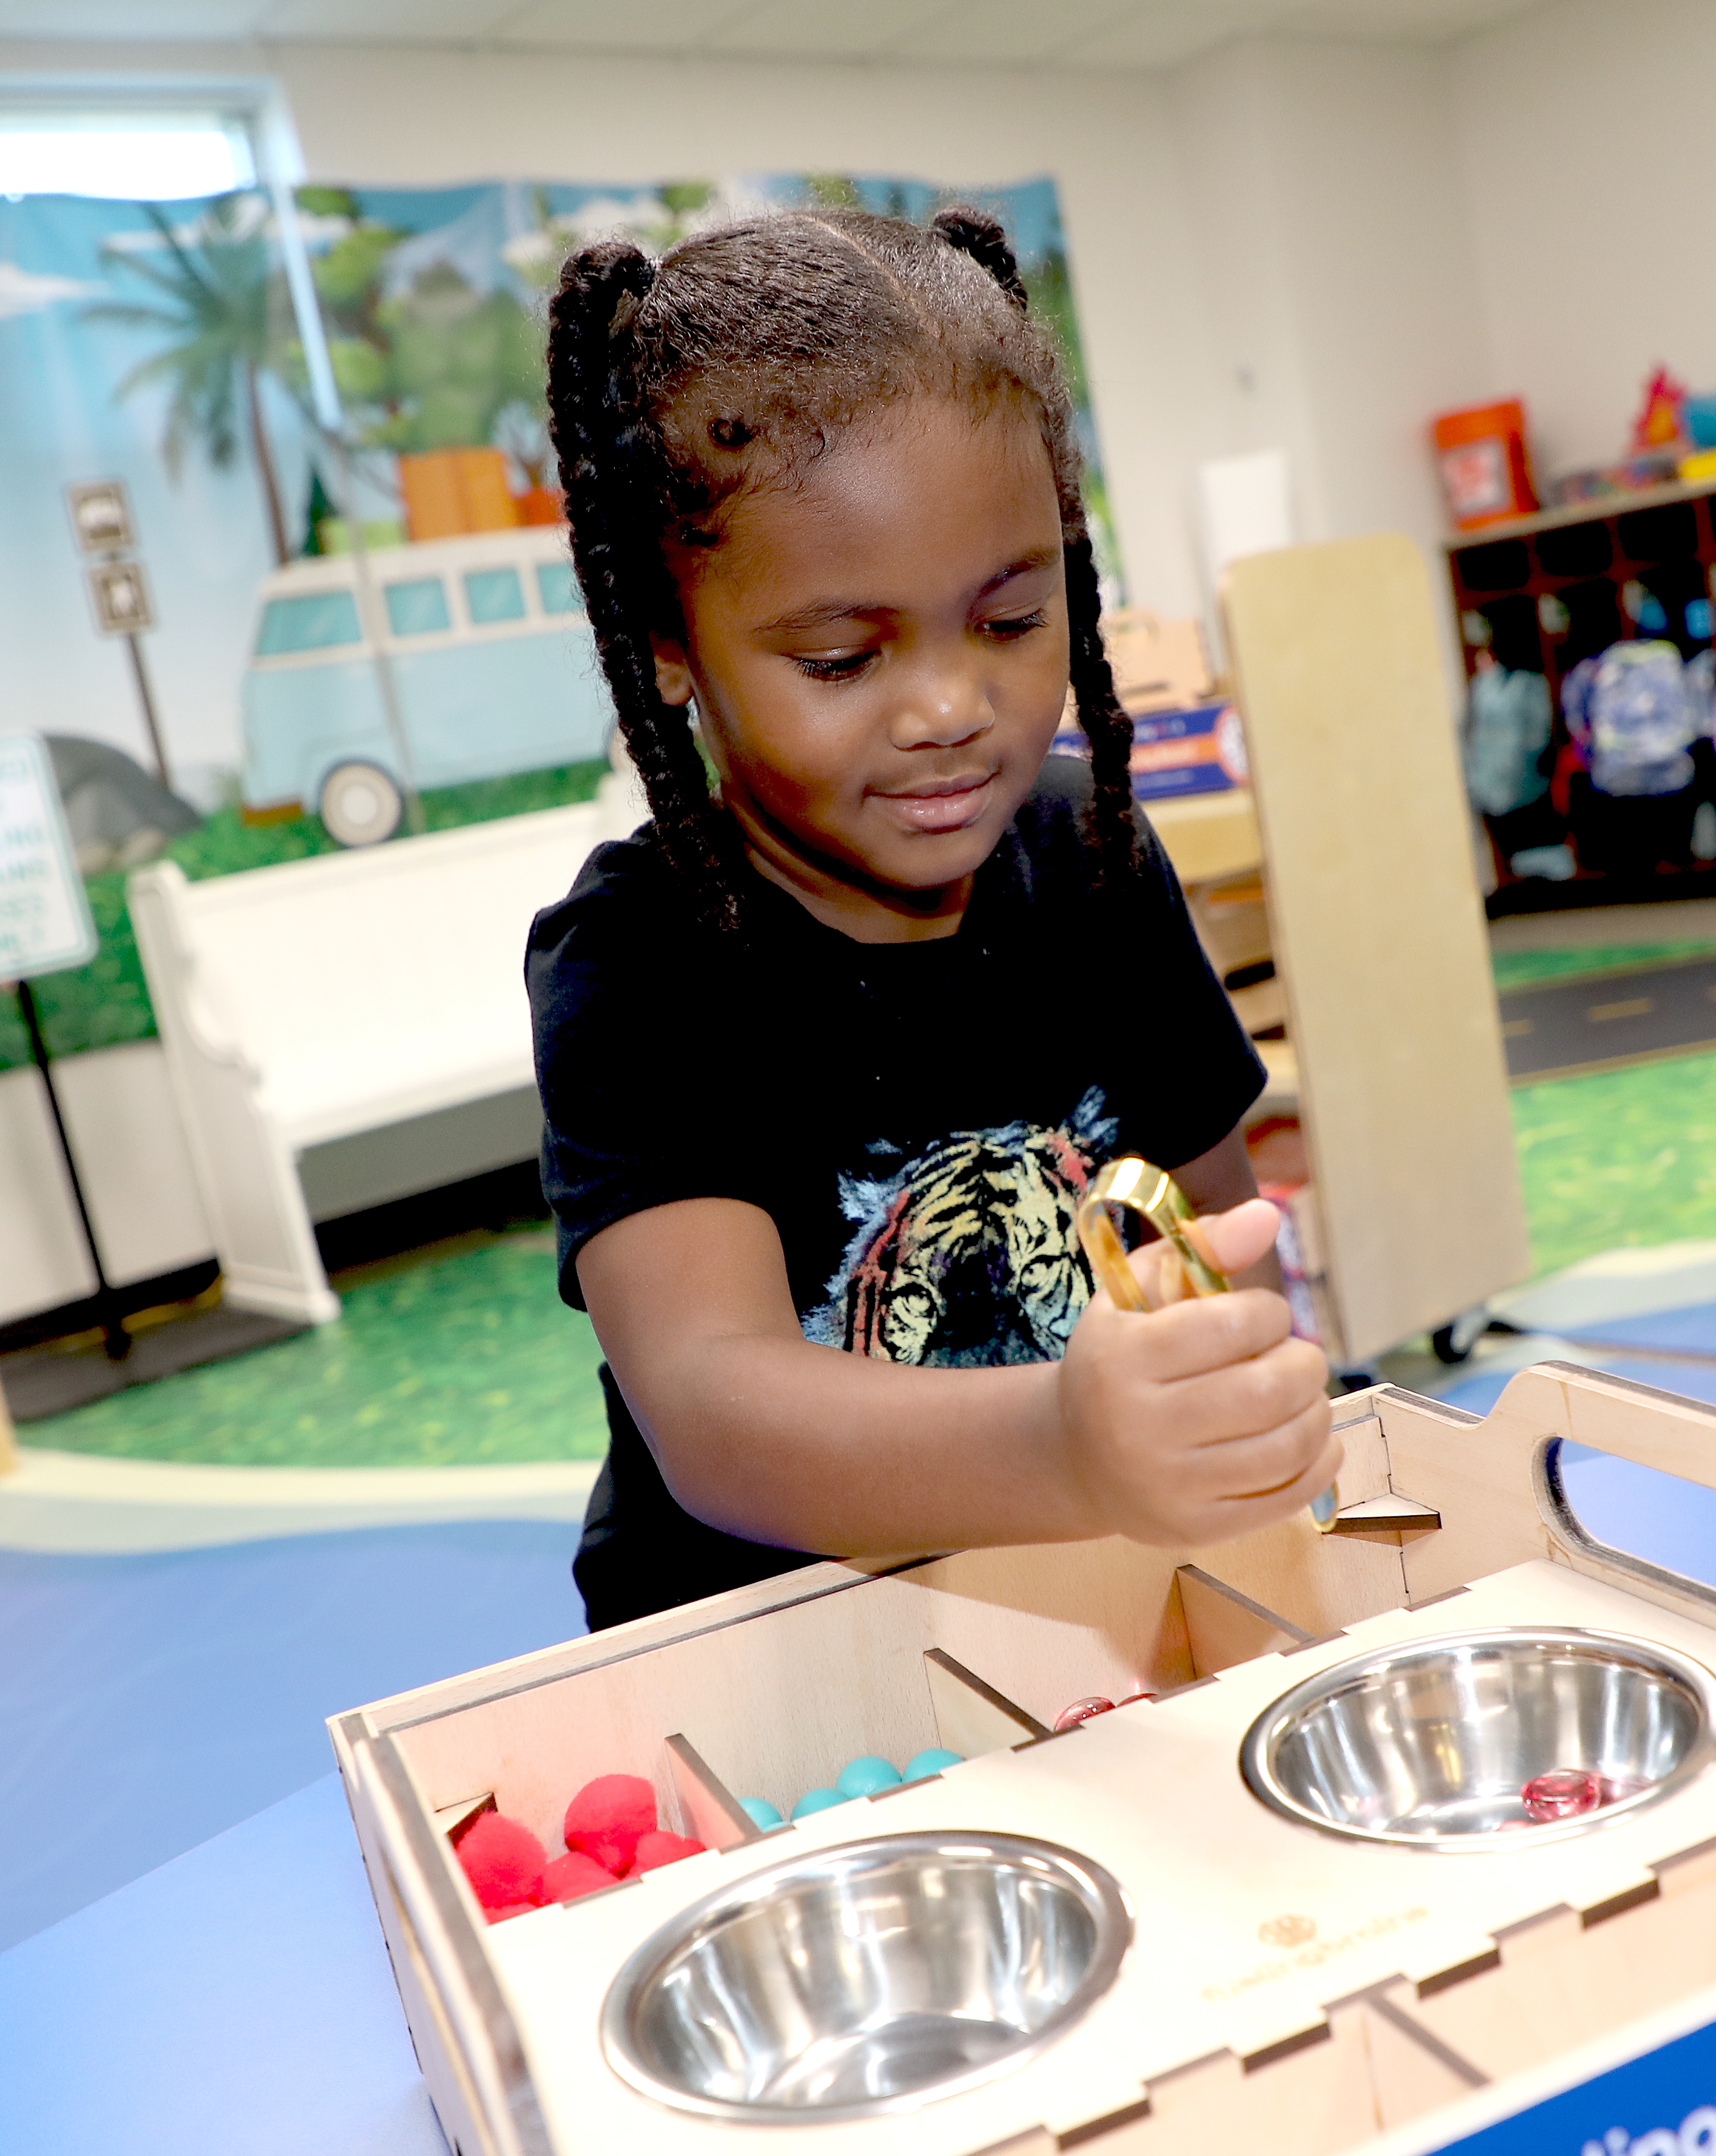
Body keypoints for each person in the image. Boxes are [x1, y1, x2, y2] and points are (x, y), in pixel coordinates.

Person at [526, 205, 1333, 1631]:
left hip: (1107, 1610)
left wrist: (1248, 1398)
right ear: (670, 649)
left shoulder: (1095, 862)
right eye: (843, 657)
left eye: (1013, 621)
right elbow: (715, 1409)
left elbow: (1213, 1225)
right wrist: (1062, 1446)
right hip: (783, 1662)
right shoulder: (643, 962)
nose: (952, 708)